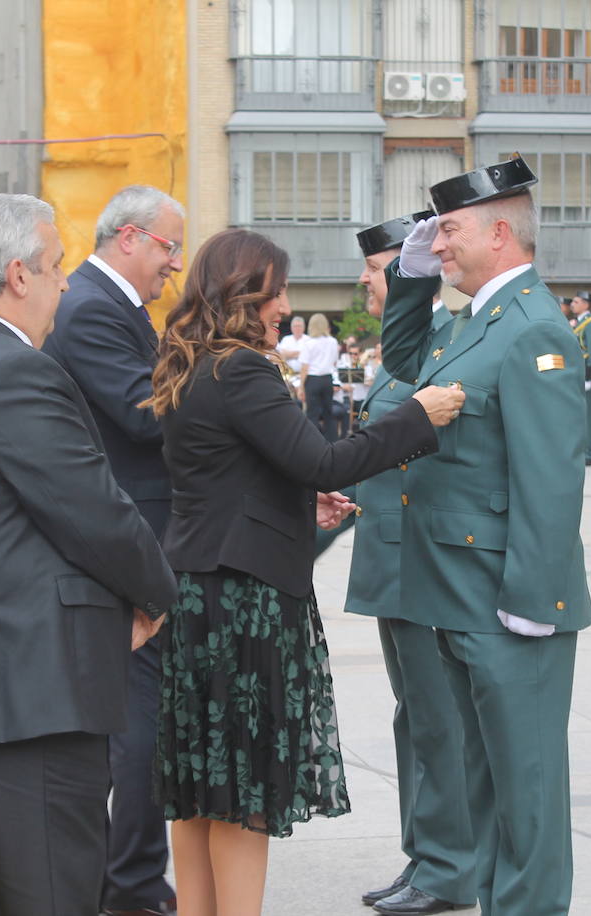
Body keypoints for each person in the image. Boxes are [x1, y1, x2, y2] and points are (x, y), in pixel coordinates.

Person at [147, 228, 460, 916]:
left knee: (198, 787)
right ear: (244, 293)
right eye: (277, 289)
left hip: (199, 593)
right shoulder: (242, 369)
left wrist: (294, 500)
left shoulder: (190, 361)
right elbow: (323, 460)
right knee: (240, 794)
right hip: (243, 600)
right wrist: (417, 415)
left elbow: (227, 473)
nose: (286, 304)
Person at [0, 193, 179, 916]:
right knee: (55, 893)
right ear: (18, 276)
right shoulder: (10, 369)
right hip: (31, 688)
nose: (66, 282)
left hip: (2, 682)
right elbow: (97, 512)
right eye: (56, 266)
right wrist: (156, 596)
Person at [382, 156, 591, 915]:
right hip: (457, 596)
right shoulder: (481, 324)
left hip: (507, 604)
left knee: (526, 799)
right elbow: (404, 364)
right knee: (491, 791)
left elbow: (550, 479)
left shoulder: (536, 329)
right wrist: (409, 283)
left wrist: (534, 598)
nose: (438, 248)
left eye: (448, 233)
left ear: (500, 232)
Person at [40, 183, 185, 916]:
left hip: (135, 530)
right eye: (169, 247)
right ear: (129, 237)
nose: (176, 264)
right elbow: (143, 414)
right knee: (137, 725)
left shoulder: (115, 306)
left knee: (134, 719)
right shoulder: (93, 306)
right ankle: (131, 887)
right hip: (127, 537)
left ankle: (121, 878)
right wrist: (226, 393)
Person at [346, 212, 475, 915]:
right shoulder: (415, 348)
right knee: (414, 718)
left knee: (439, 718)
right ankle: (425, 854)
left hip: (424, 565)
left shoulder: (446, 343)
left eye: (378, 269)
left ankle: (451, 867)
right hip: (394, 565)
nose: (369, 282)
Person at [569, 291, 591, 466]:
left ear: (586, 304)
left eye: (576, 301)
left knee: (588, 415)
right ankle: (583, 450)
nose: (572, 304)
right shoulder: (579, 323)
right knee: (580, 415)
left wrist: (588, 375)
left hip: (586, 374)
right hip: (577, 373)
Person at [298, 313, 340, 440]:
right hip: (327, 379)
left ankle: (313, 443)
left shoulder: (308, 343)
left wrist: (301, 386)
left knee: (312, 414)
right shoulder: (333, 341)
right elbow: (334, 362)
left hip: (313, 380)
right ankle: (333, 442)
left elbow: (305, 368)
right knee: (329, 413)